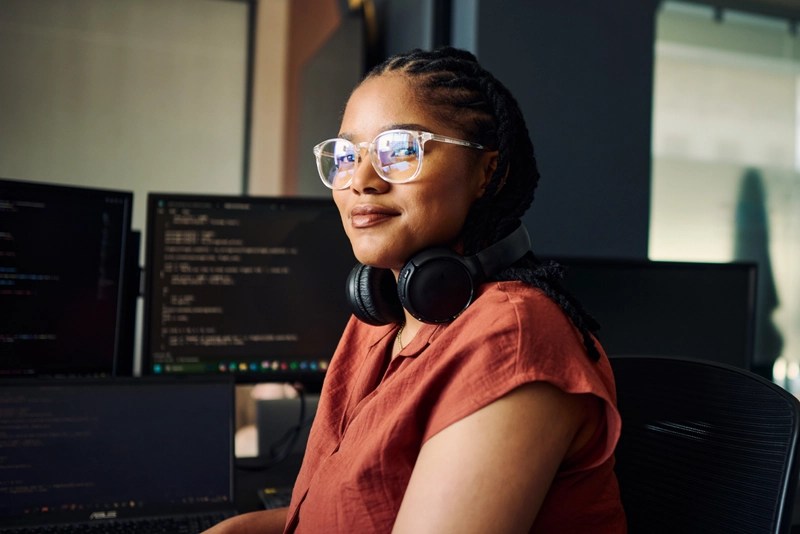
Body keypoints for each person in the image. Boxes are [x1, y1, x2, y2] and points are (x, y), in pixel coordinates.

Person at [204, 46, 626, 533]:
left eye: (401, 150)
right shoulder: (381, 317)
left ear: (488, 171)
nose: (361, 181)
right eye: (347, 156)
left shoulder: (513, 339)